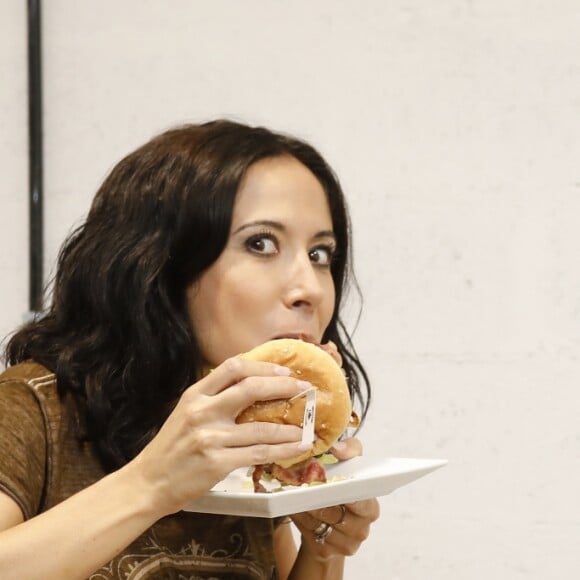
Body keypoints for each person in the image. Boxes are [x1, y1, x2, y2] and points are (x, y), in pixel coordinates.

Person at [0, 119, 379, 579]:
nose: (310, 289)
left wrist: (323, 549)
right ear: (162, 264)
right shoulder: (35, 407)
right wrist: (153, 484)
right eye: (261, 244)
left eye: (320, 254)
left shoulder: (255, 442)